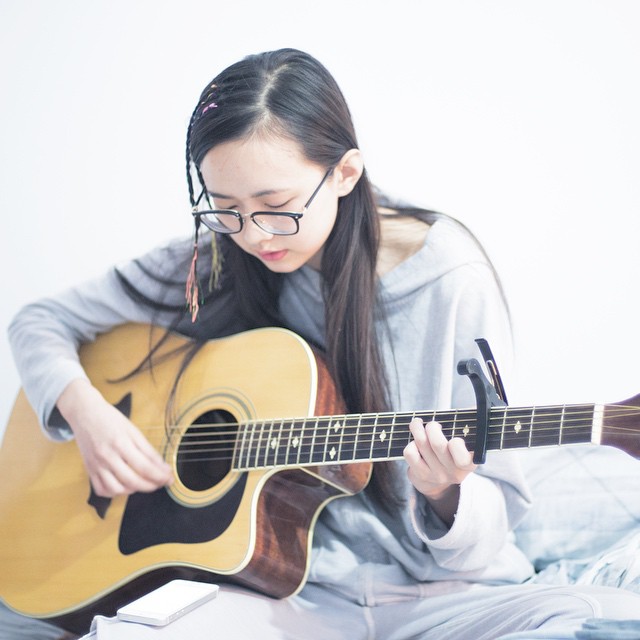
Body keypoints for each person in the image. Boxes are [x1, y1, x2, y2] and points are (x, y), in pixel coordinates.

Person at [3, 48, 640, 640]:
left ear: (344, 173)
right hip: (291, 593)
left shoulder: (449, 277)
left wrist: (447, 493)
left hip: (437, 593)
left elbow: (492, 516)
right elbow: (38, 322)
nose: (252, 234)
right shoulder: (222, 256)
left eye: (275, 205)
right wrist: (86, 415)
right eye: (224, 207)